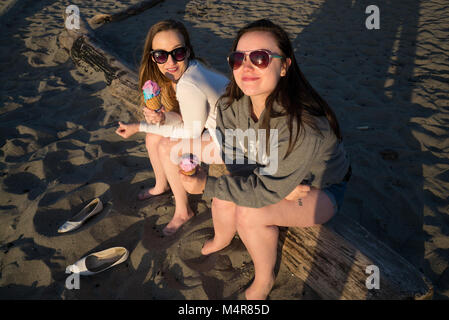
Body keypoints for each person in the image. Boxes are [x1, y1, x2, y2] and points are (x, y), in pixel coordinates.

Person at [179, 19, 351, 300]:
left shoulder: (303, 124)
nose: (246, 67)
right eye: (238, 58)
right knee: (227, 193)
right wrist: (274, 183)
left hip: (321, 187)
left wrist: (204, 186)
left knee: (250, 212)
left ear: (284, 66)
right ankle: (223, 238)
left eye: (260, 58)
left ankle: (264, 279)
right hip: (276, 173)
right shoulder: (230, 106)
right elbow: (236, 161)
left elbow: (265, 190)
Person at [115, 19, 229, 236]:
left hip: (232, 142)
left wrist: (139, 126)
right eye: (161, 55)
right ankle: (161, 185)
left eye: (177, 53)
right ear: (152, 57)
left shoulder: (188, 82)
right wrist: (161, 118)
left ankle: (183, 211)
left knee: (168, 148)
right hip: (213, 128)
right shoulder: (185, 73)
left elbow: (190, 132)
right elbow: (188, 119)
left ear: (187, 51)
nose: (170, 61)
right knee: (153, 138)